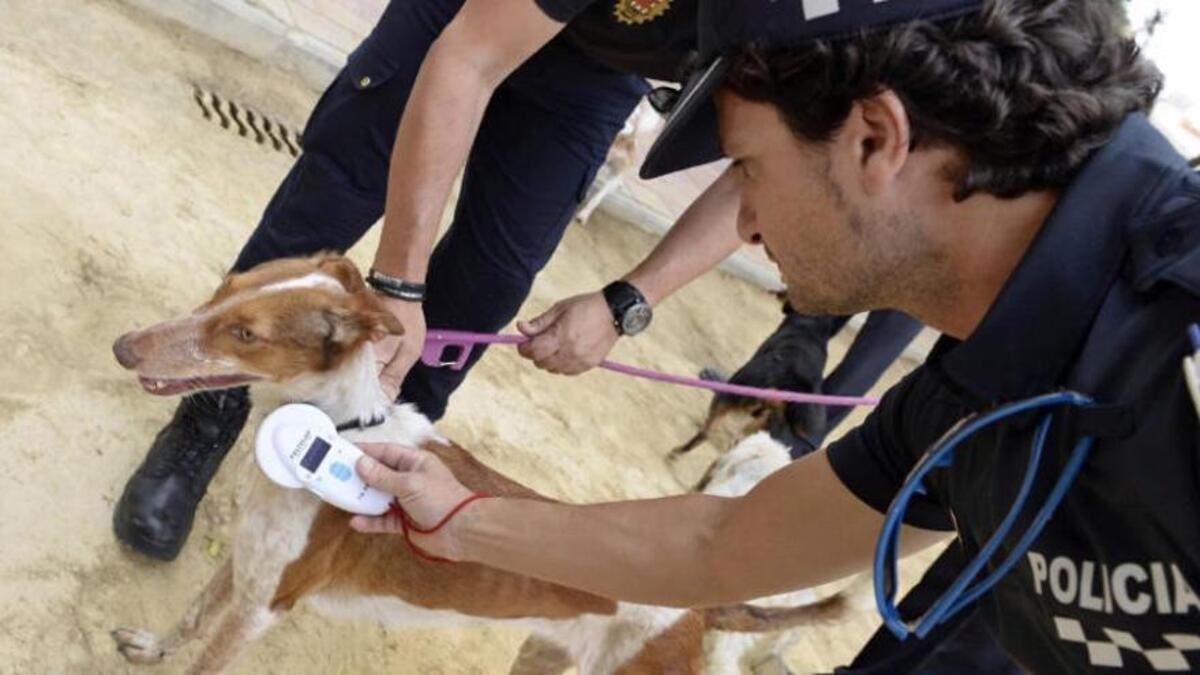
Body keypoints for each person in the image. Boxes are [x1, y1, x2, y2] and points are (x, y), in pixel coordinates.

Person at [348, 1, 1200, 671]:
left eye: (748, 168)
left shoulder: (1177, 319)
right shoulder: (962, 398)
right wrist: (461, 520)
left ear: (876, 139)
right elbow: (723, 545)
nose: (746, 223)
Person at [113, 0, 918, 563]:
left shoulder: (849, 33)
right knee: (329, 207)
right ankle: (205, 419)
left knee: (489, 284)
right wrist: (397, 277)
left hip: (598, 79)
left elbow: (763, 167)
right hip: (471, 16)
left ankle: (365, 473)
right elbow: (467, 56)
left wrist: (630, 298)